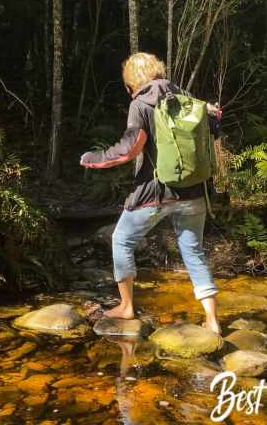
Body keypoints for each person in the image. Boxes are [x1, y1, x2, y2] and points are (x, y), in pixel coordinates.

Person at [80, 52, 221, 335]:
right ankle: (213, 321)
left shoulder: (141, 103)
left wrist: (92, 158)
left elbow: (129, 150)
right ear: (158, 70)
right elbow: (214, 131)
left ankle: (126, 306)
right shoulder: (185, 96)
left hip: (157, 193)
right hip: (196, 192)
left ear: (132, 81)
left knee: (121, 239)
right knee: (193, 250)